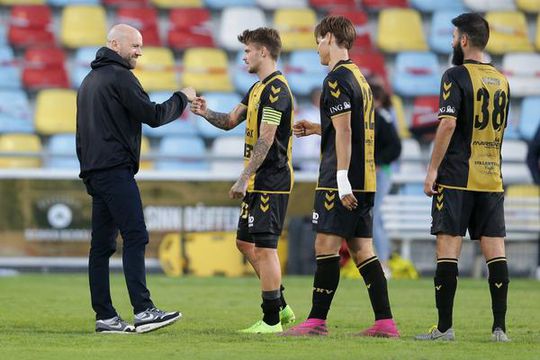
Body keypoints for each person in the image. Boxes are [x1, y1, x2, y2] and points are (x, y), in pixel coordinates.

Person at [282, 15, 399, 337]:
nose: (318, 48)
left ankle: (316, 321)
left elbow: (346, 130)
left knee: (325, 244)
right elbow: (352, 129)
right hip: (368, 176)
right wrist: (319, 128)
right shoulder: (359, 77)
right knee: (362, 249)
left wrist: (342, 180)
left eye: (319, 41)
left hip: (343, 176)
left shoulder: (335, 79)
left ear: (331, 38)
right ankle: (385, 322)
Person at [76, 24, 195, 334]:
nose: (140, 51)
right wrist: (181, 98)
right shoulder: (119, 77)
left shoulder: (89, 81)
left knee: (101, 247)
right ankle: (143, 310)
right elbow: (153, 116)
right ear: (115, 44)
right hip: (114, 170)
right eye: (135, 45)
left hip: (95, 171)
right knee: (136, 235)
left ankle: (105, 317)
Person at [190, 27, 295, 334]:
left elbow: (266, 139)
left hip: (271, 179)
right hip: (258, 179)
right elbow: (229, 122)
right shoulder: (256, 88)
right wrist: (206, 112)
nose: (244, 56)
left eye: (248, 50)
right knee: (244, 243)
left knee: (265, 248)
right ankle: (282, 306)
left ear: (264, 52)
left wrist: (243, 177)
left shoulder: (277, 90)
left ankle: (271, 320)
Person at [415, 13, 511, 342]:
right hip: (491, 178)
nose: (453, 41)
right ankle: (500, 329)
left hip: (456, 176)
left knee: (447, 250)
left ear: (464, 41)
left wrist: (432, 171)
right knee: (496, 252)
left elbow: (448, 124)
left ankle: (444, 329)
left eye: (455, 36)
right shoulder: (502, 80)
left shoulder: (454, 75)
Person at [369, 80, 402, 276]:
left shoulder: (382, 117)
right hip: (376, 172)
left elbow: (395, 147)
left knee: (375, 216)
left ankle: (382, 261)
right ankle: (379, 260)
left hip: (381, 174)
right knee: (374, 216)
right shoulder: (379, 116)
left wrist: (378, 162)